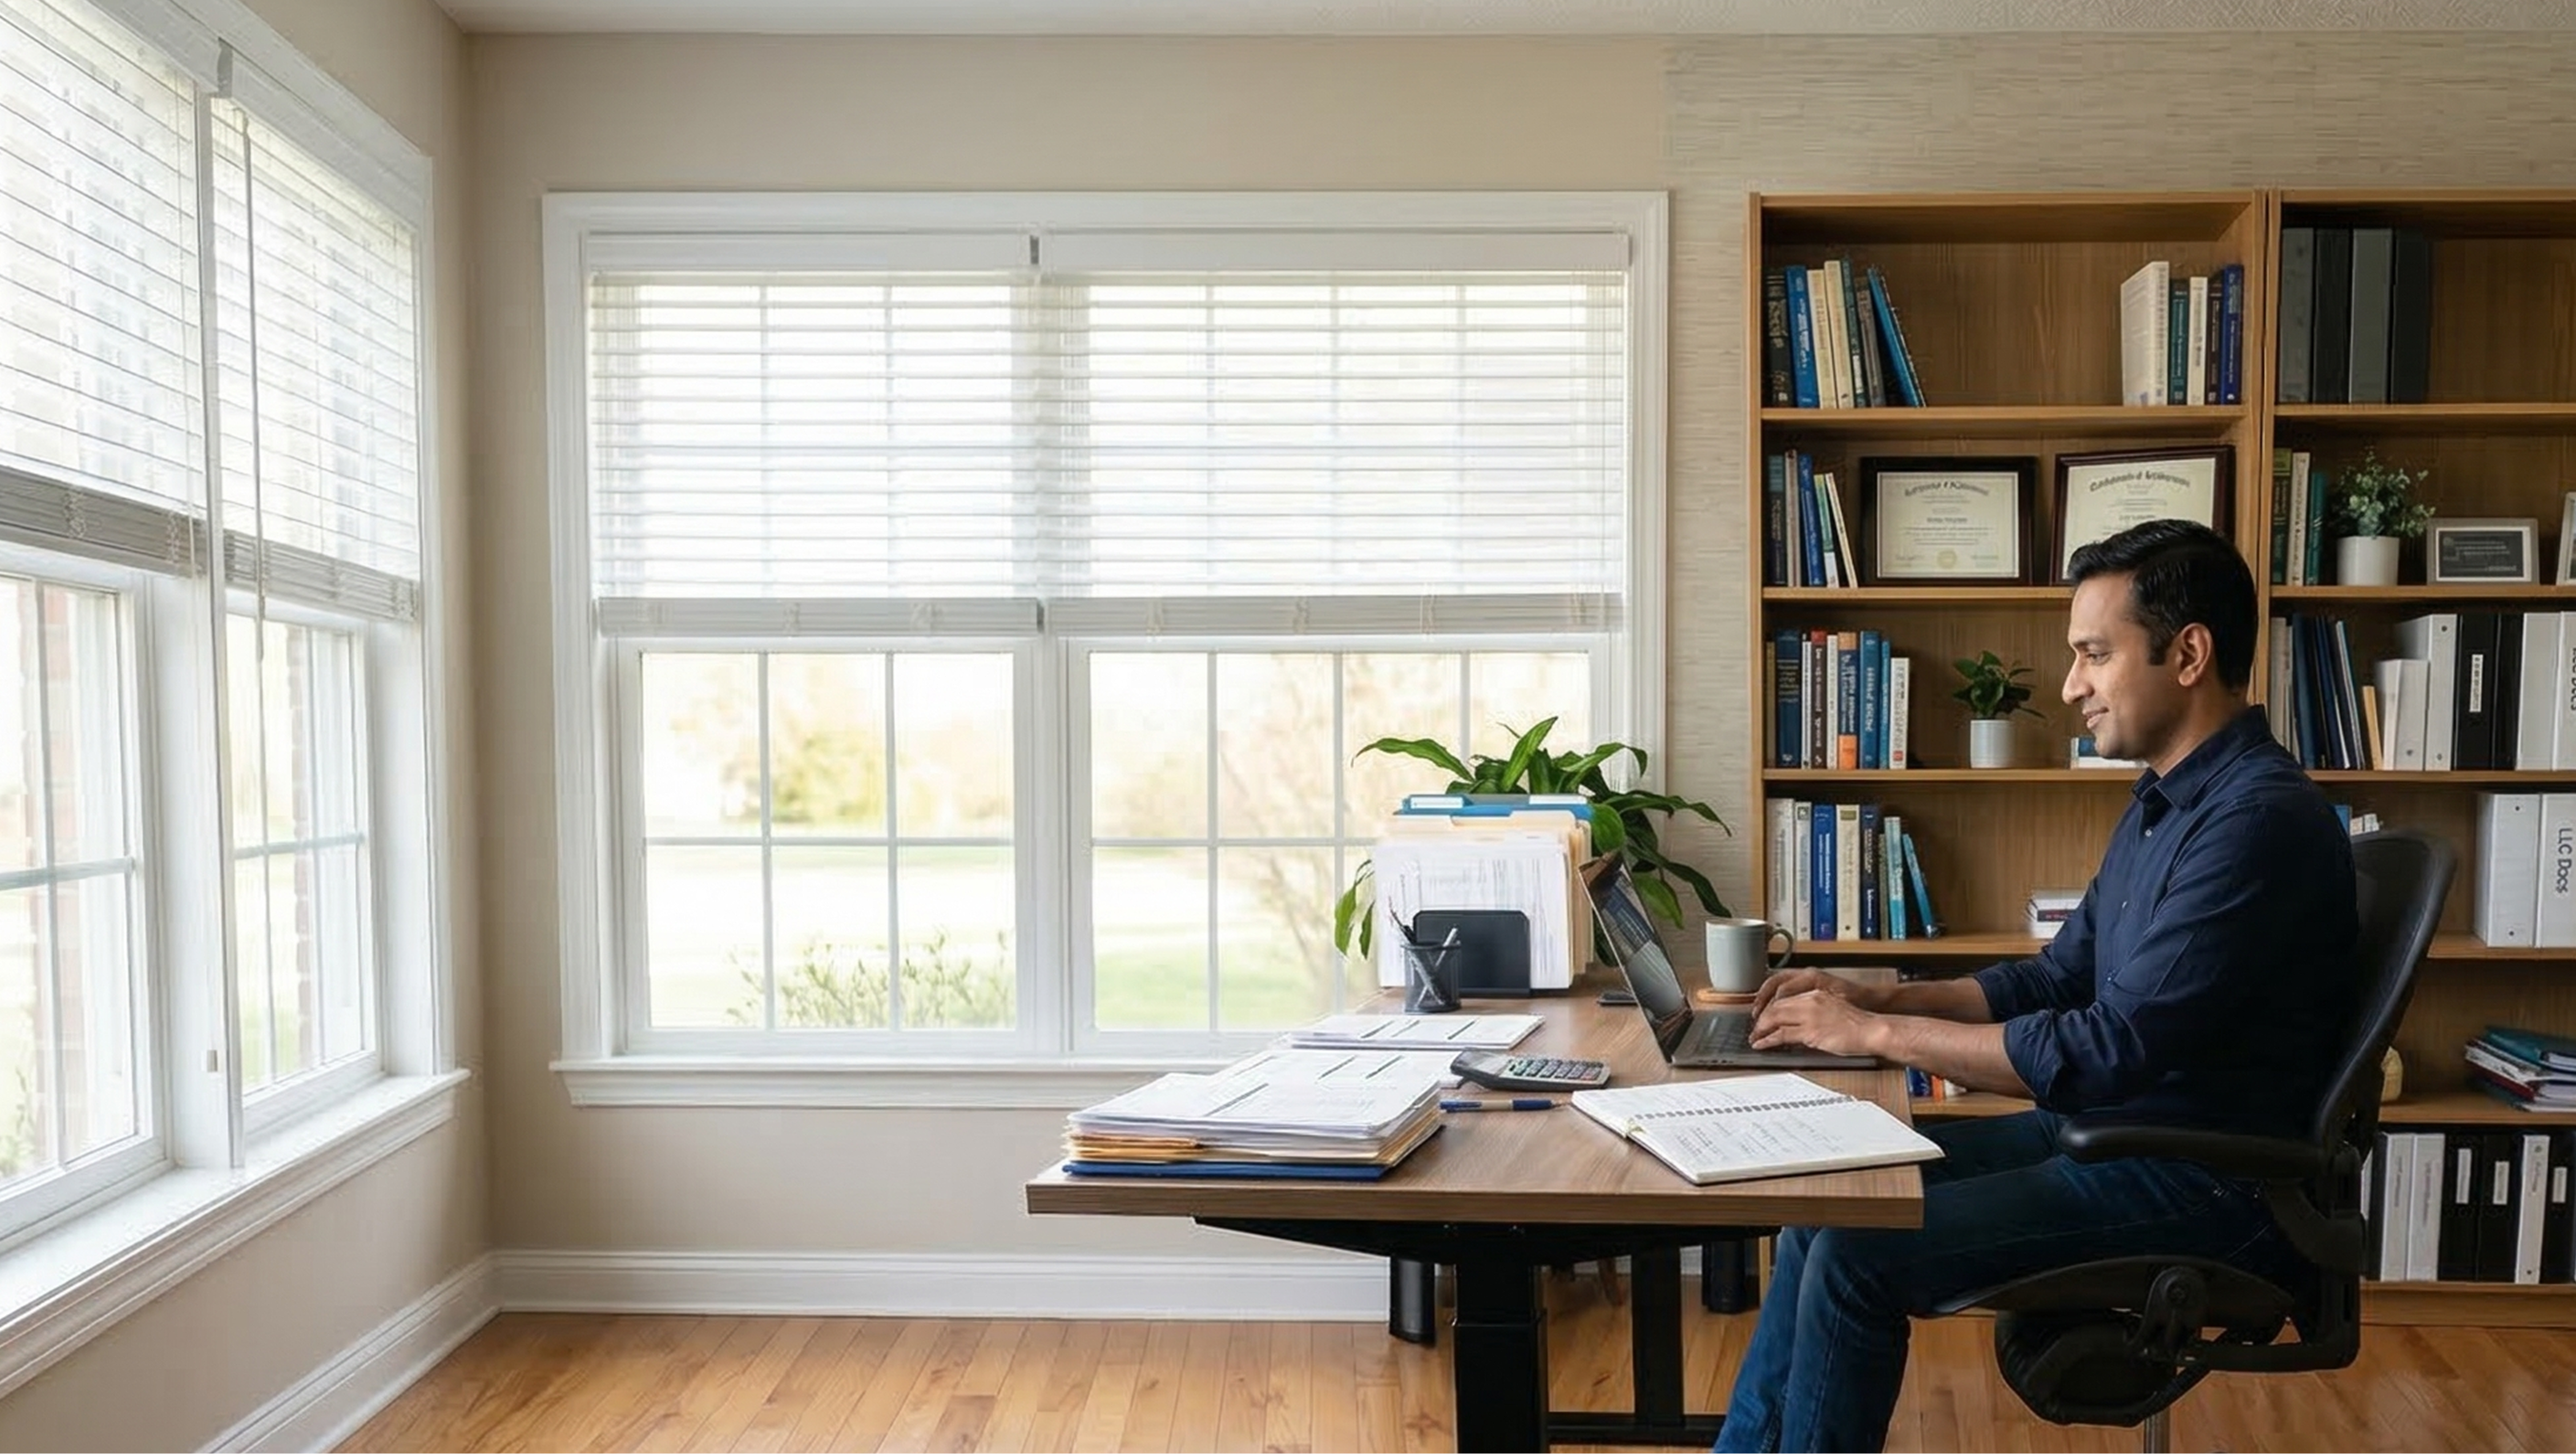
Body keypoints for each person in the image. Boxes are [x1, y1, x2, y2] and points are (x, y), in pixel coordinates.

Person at [1711, 518, 2359, 1454]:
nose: (2069, 687)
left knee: (1859, 1256)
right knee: (1833, 1202)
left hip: (2216, 1186)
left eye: (2093, 655)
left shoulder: (2255, 823)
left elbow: (2105, 1051)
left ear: (2187, 654)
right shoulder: (2164, 802)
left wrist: (1875, 1038)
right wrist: (1881, 998)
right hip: (2121, 1141)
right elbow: (2055, 979)